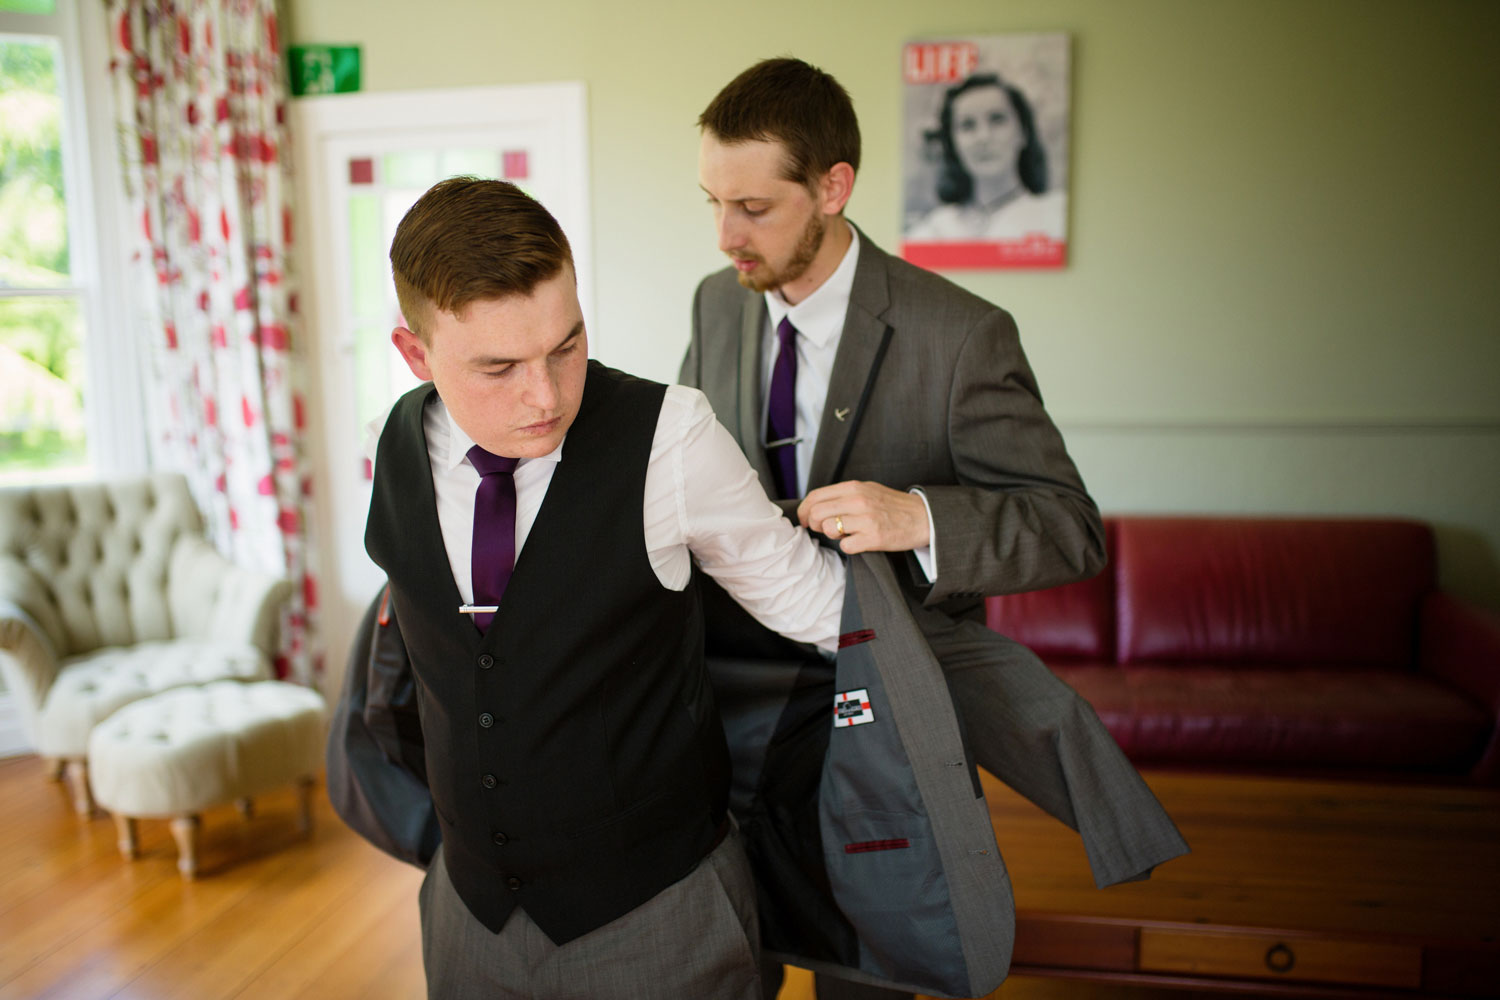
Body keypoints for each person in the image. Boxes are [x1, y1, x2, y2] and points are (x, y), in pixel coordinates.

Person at [682, 58, 1185, 1000]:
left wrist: (916, 516)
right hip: (737, 709)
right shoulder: (718, 303)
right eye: (712, 201)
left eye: (753, 207)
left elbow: (1070, 529)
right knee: (729, 951)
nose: (725, 235)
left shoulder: (962, 335)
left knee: (870, 965)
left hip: (887, 718)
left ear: (834, 187)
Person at [365, 175, 847, 999]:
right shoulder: (401, 441)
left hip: (657, 920)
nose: (546, 396)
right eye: (499, 366)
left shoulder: (673, 437)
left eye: (566, 345)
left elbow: (823, 610)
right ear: (416, 355)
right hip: (466, 917)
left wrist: (932, 534)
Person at [904, 71, 1067, 242]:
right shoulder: (933, 231)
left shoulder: (1055, 215)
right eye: (967, 125)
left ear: (1023, 133)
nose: (983, 137)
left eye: (997, 120)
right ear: (952, 143)